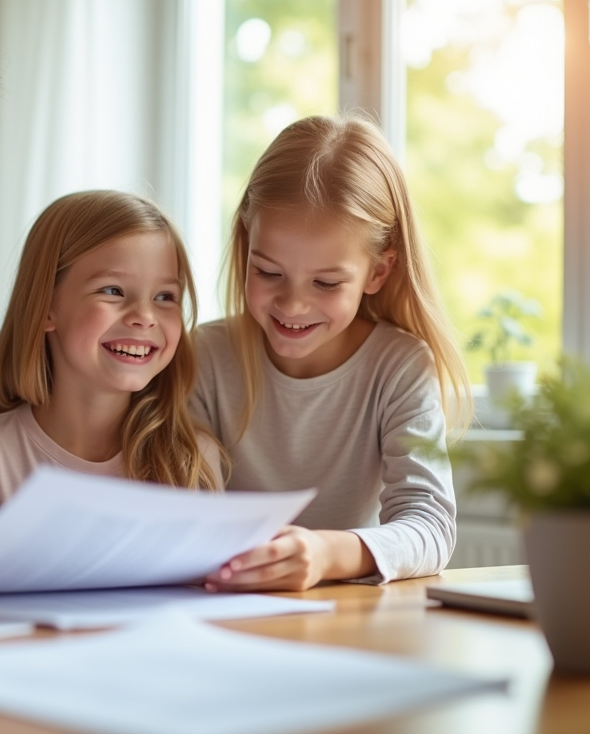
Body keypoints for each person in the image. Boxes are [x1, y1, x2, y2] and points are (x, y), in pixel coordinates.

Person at [192, 113, 471, 592]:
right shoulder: (204, 357)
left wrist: (324, 554)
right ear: (246, 245)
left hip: (345, 622)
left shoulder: (400, 366)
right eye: (268, 272)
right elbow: (184, 513)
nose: (293, 304)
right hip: (222, 614)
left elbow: (430, 526)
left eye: (325, 282)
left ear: (377, 273)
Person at [0, 190, 222, 533]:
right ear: (45, 307)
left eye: (165, 297)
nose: (145, 317)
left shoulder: (192, 460)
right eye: (113, 290)